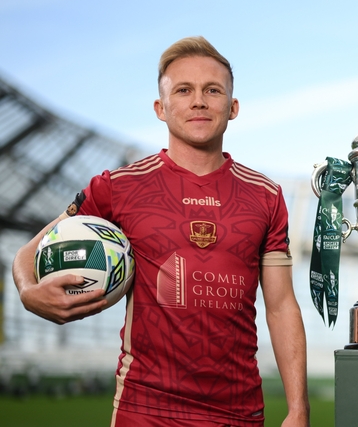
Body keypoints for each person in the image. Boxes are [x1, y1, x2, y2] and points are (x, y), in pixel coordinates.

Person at [12, 36, 310, 427]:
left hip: (239, 412)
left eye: (212, 90)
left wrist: (298, 408)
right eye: (183, 90)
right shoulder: (118, 187)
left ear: (233, 107)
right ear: (161, 108)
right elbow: (28, 253)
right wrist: (28, 292)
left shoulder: (266, 196)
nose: (198, 101)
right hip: (146, 409)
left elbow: (281, 305)